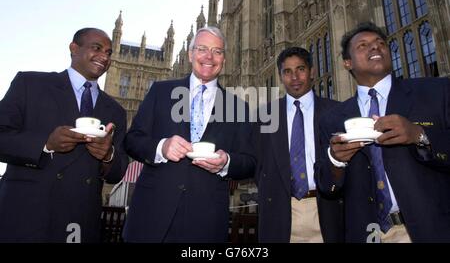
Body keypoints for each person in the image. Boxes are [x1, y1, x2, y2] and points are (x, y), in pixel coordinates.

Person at [314, 22, 450, 242]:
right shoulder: (332, 119)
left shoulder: (435, 92)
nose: (375, 47)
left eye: (380, 43)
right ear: (347, 63)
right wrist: (336, 161)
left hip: (431, 229)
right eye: (363, 46)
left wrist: (419, 135)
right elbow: (327, 187)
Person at [123, 26, 256, 243]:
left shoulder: (238, 107)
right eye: (202, 49)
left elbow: (250, 161)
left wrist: (226, 162)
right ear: (190, 54)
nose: (209, 57)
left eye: (217, 51)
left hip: (205, 223)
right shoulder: (161, 91)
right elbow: (132, 140)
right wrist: (162, 147)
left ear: (224, 59)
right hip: (151, 217)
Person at [0, 28, 128, 242]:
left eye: (109, 52)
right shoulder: (30, 84)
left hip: (80, 222)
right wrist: (45, 144)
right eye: (96, 48)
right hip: (27, 215)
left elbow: (118, 171)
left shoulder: (115, 110)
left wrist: (108, 156)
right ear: (73, 48)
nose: (104, 57)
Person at [254, 47, 344, 243]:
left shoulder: (336, 111)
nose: (294, 77)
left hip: (327, 210)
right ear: (280, 76)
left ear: (312, 71)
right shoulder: (265, 116)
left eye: (300, 69)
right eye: (287, 71)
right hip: (280, 212)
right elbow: (258, 164)